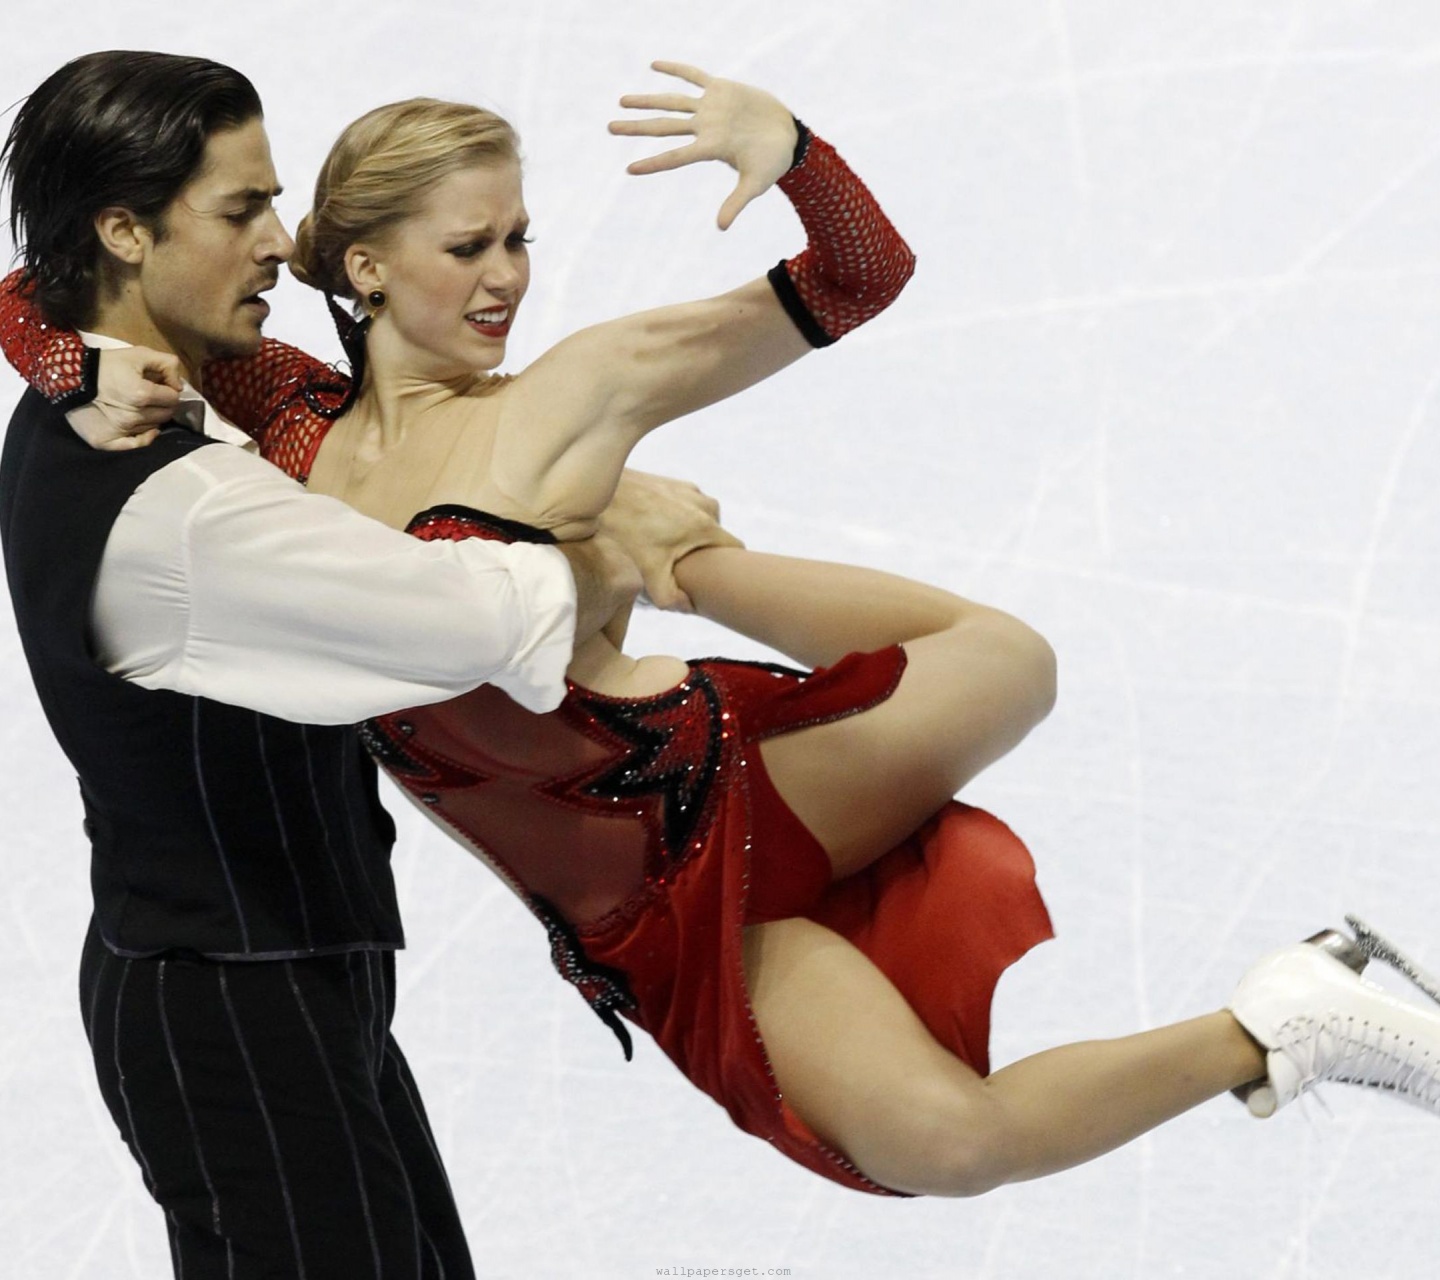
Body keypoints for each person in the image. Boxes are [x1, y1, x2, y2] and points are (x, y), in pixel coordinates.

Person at [9, 60, 1440, 1203]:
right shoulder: (288, 413)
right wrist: (70, 363)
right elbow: (46, 284)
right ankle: (1290, 1017)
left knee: (1013, 663)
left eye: (520, 238)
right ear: (363, 268)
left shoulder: (575, 387)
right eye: (468, 246)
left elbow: (858, 275)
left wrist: (796, 150)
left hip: (706, 791)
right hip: (631, 915)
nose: (507, 276)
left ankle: (696, 562)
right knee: (948, 1146)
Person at [0, 51, 730, 1279]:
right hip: (234, 999)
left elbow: (30, 283)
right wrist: (612, 538)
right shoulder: (182, 506)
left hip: (276, 974)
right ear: (123, 230)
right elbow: (470, 621)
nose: (282, 243)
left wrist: (59, 349)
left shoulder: (147, 397)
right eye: (240, 211)